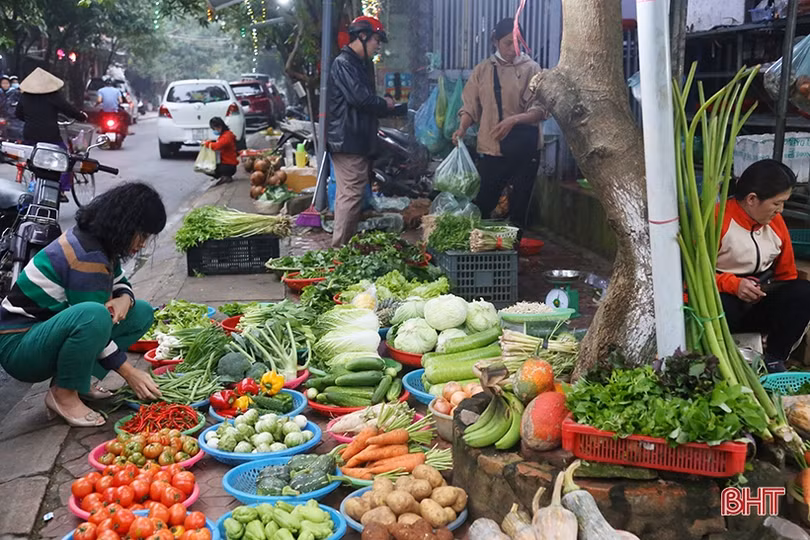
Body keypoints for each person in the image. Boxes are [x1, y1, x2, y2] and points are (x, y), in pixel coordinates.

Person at [0, 183, 166, 427]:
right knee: (94, 315)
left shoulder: (100, 244)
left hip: (46, 332)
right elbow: (91, 320)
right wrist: (130, 373)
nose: (142, 244)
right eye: (142, 234)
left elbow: (121, 282)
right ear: (125, 225)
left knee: (140, 312)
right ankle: (63, 394)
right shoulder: (86, 256)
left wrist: (125, 299)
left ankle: (79, 379)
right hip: (19, 346)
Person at [452, 18, 548, 227]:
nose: (513, 49)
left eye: (517, 42)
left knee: (518, 208)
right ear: (495, 41)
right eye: (507, 43)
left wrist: (514, 120)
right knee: (484, 203)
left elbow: (540, 109)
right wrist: (462, 128)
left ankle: (513, 254)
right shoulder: (483, 70)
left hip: (524, 149)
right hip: (492, 148)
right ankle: (482, 251)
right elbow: (470, 105)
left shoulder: (532, 68)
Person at [717, 159, 810, 373]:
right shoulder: (716, 220)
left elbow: (787, 276)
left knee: (803, 292)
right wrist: (733, 284)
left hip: (757, 301)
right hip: (721, 305)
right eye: (777, 203)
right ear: (752, 199)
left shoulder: (776, 224)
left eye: (784, 202)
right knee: (722, 303)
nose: (781, 209)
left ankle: (775, 358)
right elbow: (687, 278)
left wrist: (766, 290)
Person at [327, 15, 395, 247]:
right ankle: (339, 252)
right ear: (363, 36)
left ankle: (343, 248)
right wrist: (384, 104)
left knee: (350, 195)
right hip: (348, 140)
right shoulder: (345, 63)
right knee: (351, 196)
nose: (377, 45)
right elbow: (361, 99)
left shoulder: (358, 63)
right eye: (376, 40)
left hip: (354, 139)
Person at [15, 68, 88, 202]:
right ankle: (61, 190)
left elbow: (18, 114)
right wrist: (81, 116)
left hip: (30, 135)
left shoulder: (25, 96)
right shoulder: (53, 95)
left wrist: (32, 120)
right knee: (65, 159)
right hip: (50, 135)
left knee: (31, 160)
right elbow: (68, 109)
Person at [202, 116, 238, 185]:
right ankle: (224, 176)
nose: (215, 130)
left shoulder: (227, 136)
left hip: (228, 165)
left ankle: (225, 176)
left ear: (220, 126)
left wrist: (207, 143)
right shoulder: (225, 135)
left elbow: (217, 146)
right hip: (228, 164)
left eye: (215, 128)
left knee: (207, 168)